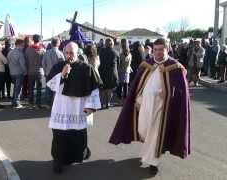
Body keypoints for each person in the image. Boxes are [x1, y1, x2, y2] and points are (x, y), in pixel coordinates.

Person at [109, 38, 191, 175]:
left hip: (161, 109)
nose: (158, 53)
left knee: (155, 134)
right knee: (143, 130)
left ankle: (153, 161)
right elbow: (136, 85)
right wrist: (136, 99)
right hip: (144, 106)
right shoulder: (146, 64)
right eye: (155, 50)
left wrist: (169, 96)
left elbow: (182, 93)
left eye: (161, 50)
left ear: (167, 49)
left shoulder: (176, 68)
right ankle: (150, 152)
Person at [47, 42, 101, 174]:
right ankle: (58, 160)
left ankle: (77, 155)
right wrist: (63, 75)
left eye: (72, 53)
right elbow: (50, 85)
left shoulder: (86, 68)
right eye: (67, 53)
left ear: (78, 53)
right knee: (59, 135)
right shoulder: (59, 66)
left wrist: (90, 106)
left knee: (77, 134)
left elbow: (94, 89)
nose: (69, 55)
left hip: (78, 108)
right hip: (61, 107)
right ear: (64, 52)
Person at [42, 38, 65, 107]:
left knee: (48, 88)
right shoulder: (60, 53)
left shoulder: (46, 52)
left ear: (51, 44)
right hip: (57, 74)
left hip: (48, 73)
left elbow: (43, 63)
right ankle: (55, 104)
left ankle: (48, 103)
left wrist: (45, 71)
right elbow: (63, 64)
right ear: (59, 44)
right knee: (56, 89)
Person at [25, 34, 46, 108]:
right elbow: (44, 62)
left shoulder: (28, 49)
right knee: (39, 89)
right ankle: (38, 103)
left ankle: (30, 102)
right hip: (39, 71)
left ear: (33, 40)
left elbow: (26, 61)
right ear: (40, 40)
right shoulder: (42, 50)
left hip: (30, 71)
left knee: (30, 87)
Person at [98, 38, 119, 109]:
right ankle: (108, 103)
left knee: (102, 89)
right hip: (112, 73)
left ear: (105, 44)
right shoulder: (115, 52)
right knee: (110, 89)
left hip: (102, 71)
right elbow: (118, 64)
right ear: (112, 44)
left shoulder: (101, 51)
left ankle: (101, 103)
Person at [7, 39, 27, 108]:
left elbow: (8, 62)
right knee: (18, 88)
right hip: (19, 72)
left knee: (15, 88)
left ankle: (14, 102)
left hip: (12, 72)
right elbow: (23, 65)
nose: (23, 47)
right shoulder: (20, 53)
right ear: (18, 45)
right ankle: (16, 103)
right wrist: (25, 72)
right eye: (22, 45)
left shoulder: (10, 52)